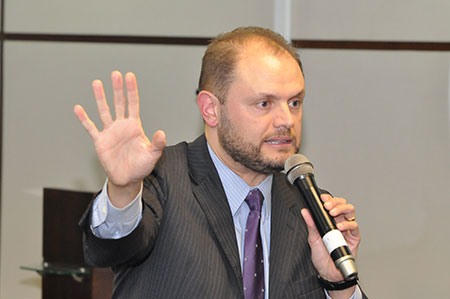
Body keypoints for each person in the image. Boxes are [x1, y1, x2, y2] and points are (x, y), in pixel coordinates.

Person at [75, 27, 367, 299]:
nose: (286, 121)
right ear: (211, 109)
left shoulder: (309, 208)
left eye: (294, 102)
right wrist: (123, 189)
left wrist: (337, 284)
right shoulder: (161, 180)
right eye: (264, 103)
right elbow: (110, 249)